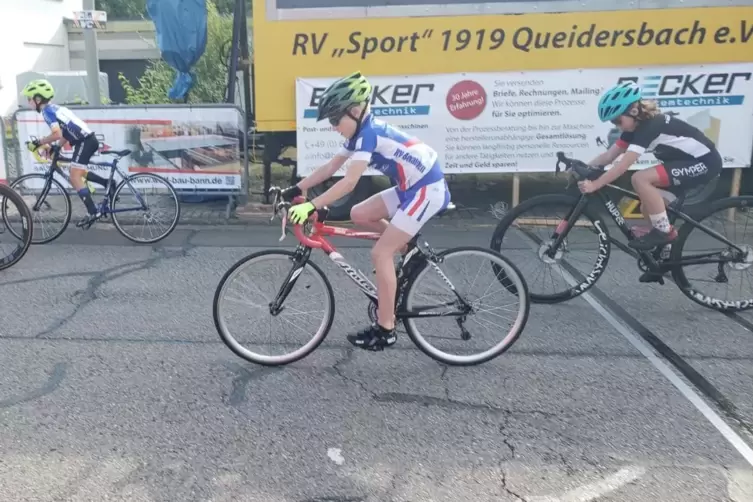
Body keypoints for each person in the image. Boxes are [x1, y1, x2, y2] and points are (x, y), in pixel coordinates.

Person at [280, 71, 451, 351]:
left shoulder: (369, 134)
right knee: (360, 214)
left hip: (426, 188)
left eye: (336, 119)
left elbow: (348, 183)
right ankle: (409, 248)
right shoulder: (361, 132)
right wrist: (296, 189)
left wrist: (313, 204)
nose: (334, 126)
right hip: (411, 186)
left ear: (356, 111)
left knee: (381, 252)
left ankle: (386, 329)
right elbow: (330, 168)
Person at [580, 81, 722, 282]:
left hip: (704, 163)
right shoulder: (633, 128)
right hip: (681, 163)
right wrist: (583, 167)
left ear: (634, 110)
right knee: (650, 205)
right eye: (613, 123)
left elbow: (622, 166)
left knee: (640, 178)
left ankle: (664, 232)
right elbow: (609, 156)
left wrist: (595, 185)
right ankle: (664, 259)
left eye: (617, 121)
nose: (616, 125)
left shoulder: (650, 126)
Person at [21, 79, 114, 228]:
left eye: (29, 99)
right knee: (79, 171)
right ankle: (107, 183)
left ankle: (93, 211)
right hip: (85, 140)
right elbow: (64, 132)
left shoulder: (47, 112)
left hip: (85, 141)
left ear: (38, 99)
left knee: (74, 175)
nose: (28, 102)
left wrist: (38, 142)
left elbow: (56, 133)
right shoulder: (54, 108)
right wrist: (57, 147)